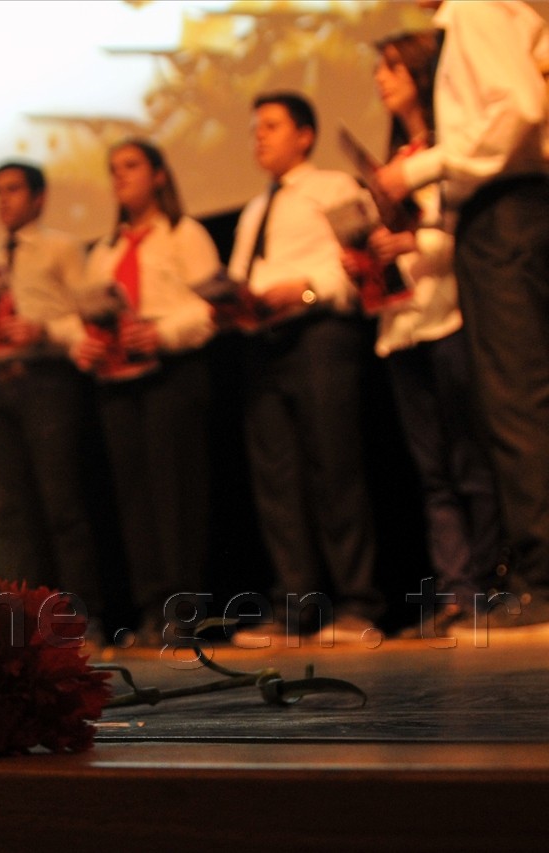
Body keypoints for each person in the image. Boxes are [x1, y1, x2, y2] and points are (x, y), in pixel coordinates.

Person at [377, 1, 549, 632]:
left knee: (516, 400)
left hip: (504, 211)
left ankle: (542, 578)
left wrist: (417, 167)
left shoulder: (476, 11)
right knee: (517, 398)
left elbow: (521, 109)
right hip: (502, 214)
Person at [356, 32, 502, 638]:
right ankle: (455, 594)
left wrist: (414, 241)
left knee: (471, 461)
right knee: (434, 471)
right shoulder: (396, 161)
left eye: (391, 69)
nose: (381, 81)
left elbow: (463, 236)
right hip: (403, 326)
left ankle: (494, 588)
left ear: (421, 74)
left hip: (451, 316)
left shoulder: (449, 150)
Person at [227, 92, 382, 643]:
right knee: (277, 480)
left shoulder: (334, 188)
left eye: (270, 126)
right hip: (264, 343)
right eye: (254, 129)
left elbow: (360, 264)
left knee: (333, 467)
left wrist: (310, 291)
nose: (259, 138)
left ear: (305, 134)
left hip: (321, 335)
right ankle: (295, 610)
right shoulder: (252, 209)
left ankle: (358, 604)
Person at [68, 140, 222, 646]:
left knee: (174, 495)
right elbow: (87, 316)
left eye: (131, 166)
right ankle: (151, 607)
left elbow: (210, 310)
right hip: (118, 384)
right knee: (134, 502)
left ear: (159, 174)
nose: (120, 177)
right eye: (113, 170)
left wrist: (161, 332)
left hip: (170, 377)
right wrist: (85, 346)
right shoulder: (107, 249)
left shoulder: (184, 233)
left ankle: (184, 609)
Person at [0, 161, 102, 631]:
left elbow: (88, 319)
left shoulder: (61, 248)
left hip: (47, 380)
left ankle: (82, 618)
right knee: (8, 510)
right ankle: (22, 624)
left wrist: (43, 330)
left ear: (38, 197)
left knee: (62, 503)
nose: (3, 199)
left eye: (14, 189)